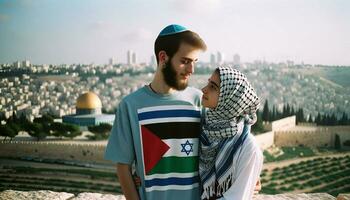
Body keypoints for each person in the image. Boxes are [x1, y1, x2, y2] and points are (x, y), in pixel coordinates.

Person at [105, 24, 207, 200]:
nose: (191, 70)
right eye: (185, 61)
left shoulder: (199, 100)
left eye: (194, 62)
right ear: (163, 57)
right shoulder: (130, 106)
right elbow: (123, 166)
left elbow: (218, 149)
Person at [199, 66, 263, 200]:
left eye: (213, 87)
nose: (204, 90)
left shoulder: (247, 147)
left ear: (230, 98)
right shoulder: (204, 130)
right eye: (208, 83)